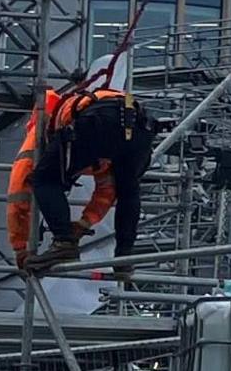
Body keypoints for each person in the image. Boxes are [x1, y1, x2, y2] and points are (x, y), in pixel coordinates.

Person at [9, 80, 150, 272]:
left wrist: (20, 248)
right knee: (128, 191)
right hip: (138, 125)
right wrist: (85, 222)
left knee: (44, 179)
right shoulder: (97, 150)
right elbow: (108, 189)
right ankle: (124, 256)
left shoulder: (41, 132)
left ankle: (63, 243)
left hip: (100, 120)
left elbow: (19, 190)